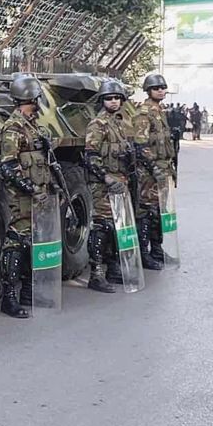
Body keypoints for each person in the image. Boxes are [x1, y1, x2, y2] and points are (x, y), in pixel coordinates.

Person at [0, 73, 57, 318]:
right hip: (21, 197)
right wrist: (32, 190)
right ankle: (9, 298)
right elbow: (8, 166)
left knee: (33, 243)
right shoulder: (13, 127)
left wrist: (51, 189)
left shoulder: (35, 127)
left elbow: (45, 163)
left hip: (39, 194)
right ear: (32, 98)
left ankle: (29, 294)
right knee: (16, 244)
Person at [83, 80, 134, 293]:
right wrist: (106, 179)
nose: (113, 101)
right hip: (103, 184)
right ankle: (96, 274)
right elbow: (91, 157)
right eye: (109, 98)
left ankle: (113, 268)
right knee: (102, 227)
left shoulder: (120, 124)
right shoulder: (97, 124)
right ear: (102, 101)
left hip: (120, 181)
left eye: (116, 98)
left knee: (116, 227)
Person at [132, 73, 175, 271]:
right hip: (149, 173)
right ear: (148, 91)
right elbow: (141, 145)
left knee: (159, 211)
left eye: (162, 87)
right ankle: (144, 253)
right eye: (156, 87)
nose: (160, 90)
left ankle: (157, 249)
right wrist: (154, 168)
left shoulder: (160, 111)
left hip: (163, 169)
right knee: (147, 213)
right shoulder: (144, 113)